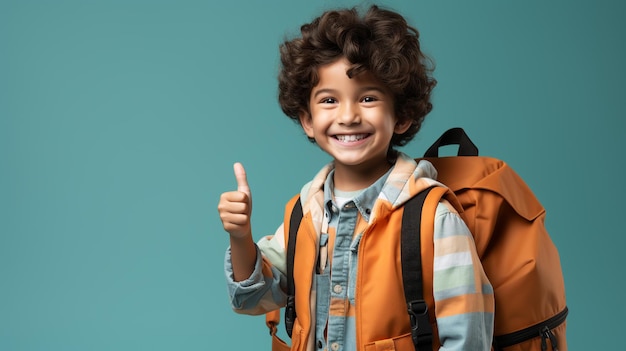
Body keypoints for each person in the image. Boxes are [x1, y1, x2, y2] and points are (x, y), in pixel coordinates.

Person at [218, 4, 494, 351]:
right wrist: (241, 237)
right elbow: (251, 299)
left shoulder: (435, 221)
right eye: (329, 100)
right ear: (307, 120)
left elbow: (468, 341)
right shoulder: (303, 215)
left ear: (402, 115)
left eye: (368, 98)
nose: (348, 116)